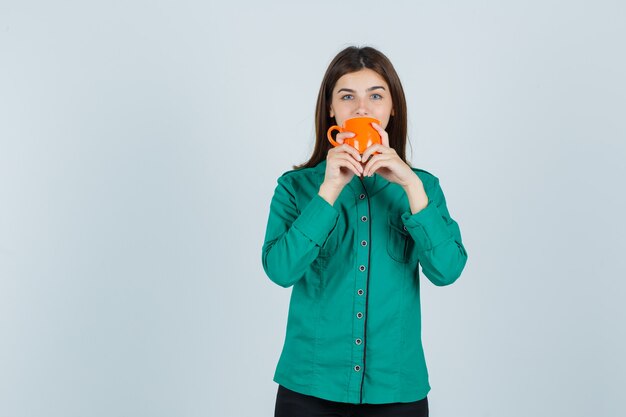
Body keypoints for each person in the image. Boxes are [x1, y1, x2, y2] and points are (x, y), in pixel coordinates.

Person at [262, 45, 468, 417]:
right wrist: (328, 191)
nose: (361, 108)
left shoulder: (423, 188)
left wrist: (411, 187)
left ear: (392, 108)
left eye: (375, 96)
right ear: (331, 109)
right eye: (347, 96)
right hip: (309, 388)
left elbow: (448, 270)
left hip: (397, 390)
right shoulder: (296, 187)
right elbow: (280, 270)